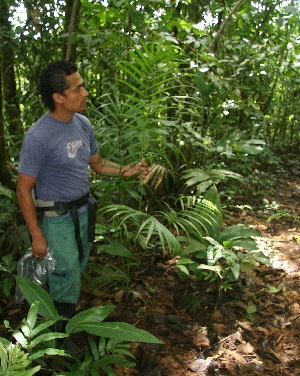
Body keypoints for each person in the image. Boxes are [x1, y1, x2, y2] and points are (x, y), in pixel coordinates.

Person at [16, 60, 148, 323]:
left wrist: (128, 170)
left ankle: (64, 321)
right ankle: (60, 339)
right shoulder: (38, 137)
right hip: (57, 218)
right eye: (78, 88)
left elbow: (96, 164)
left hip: (85, 210)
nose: (85, 92)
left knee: (77, 267)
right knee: (65, 274)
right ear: (59, 97)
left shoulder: (83, 124)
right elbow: (23, 189)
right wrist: (36, 234)